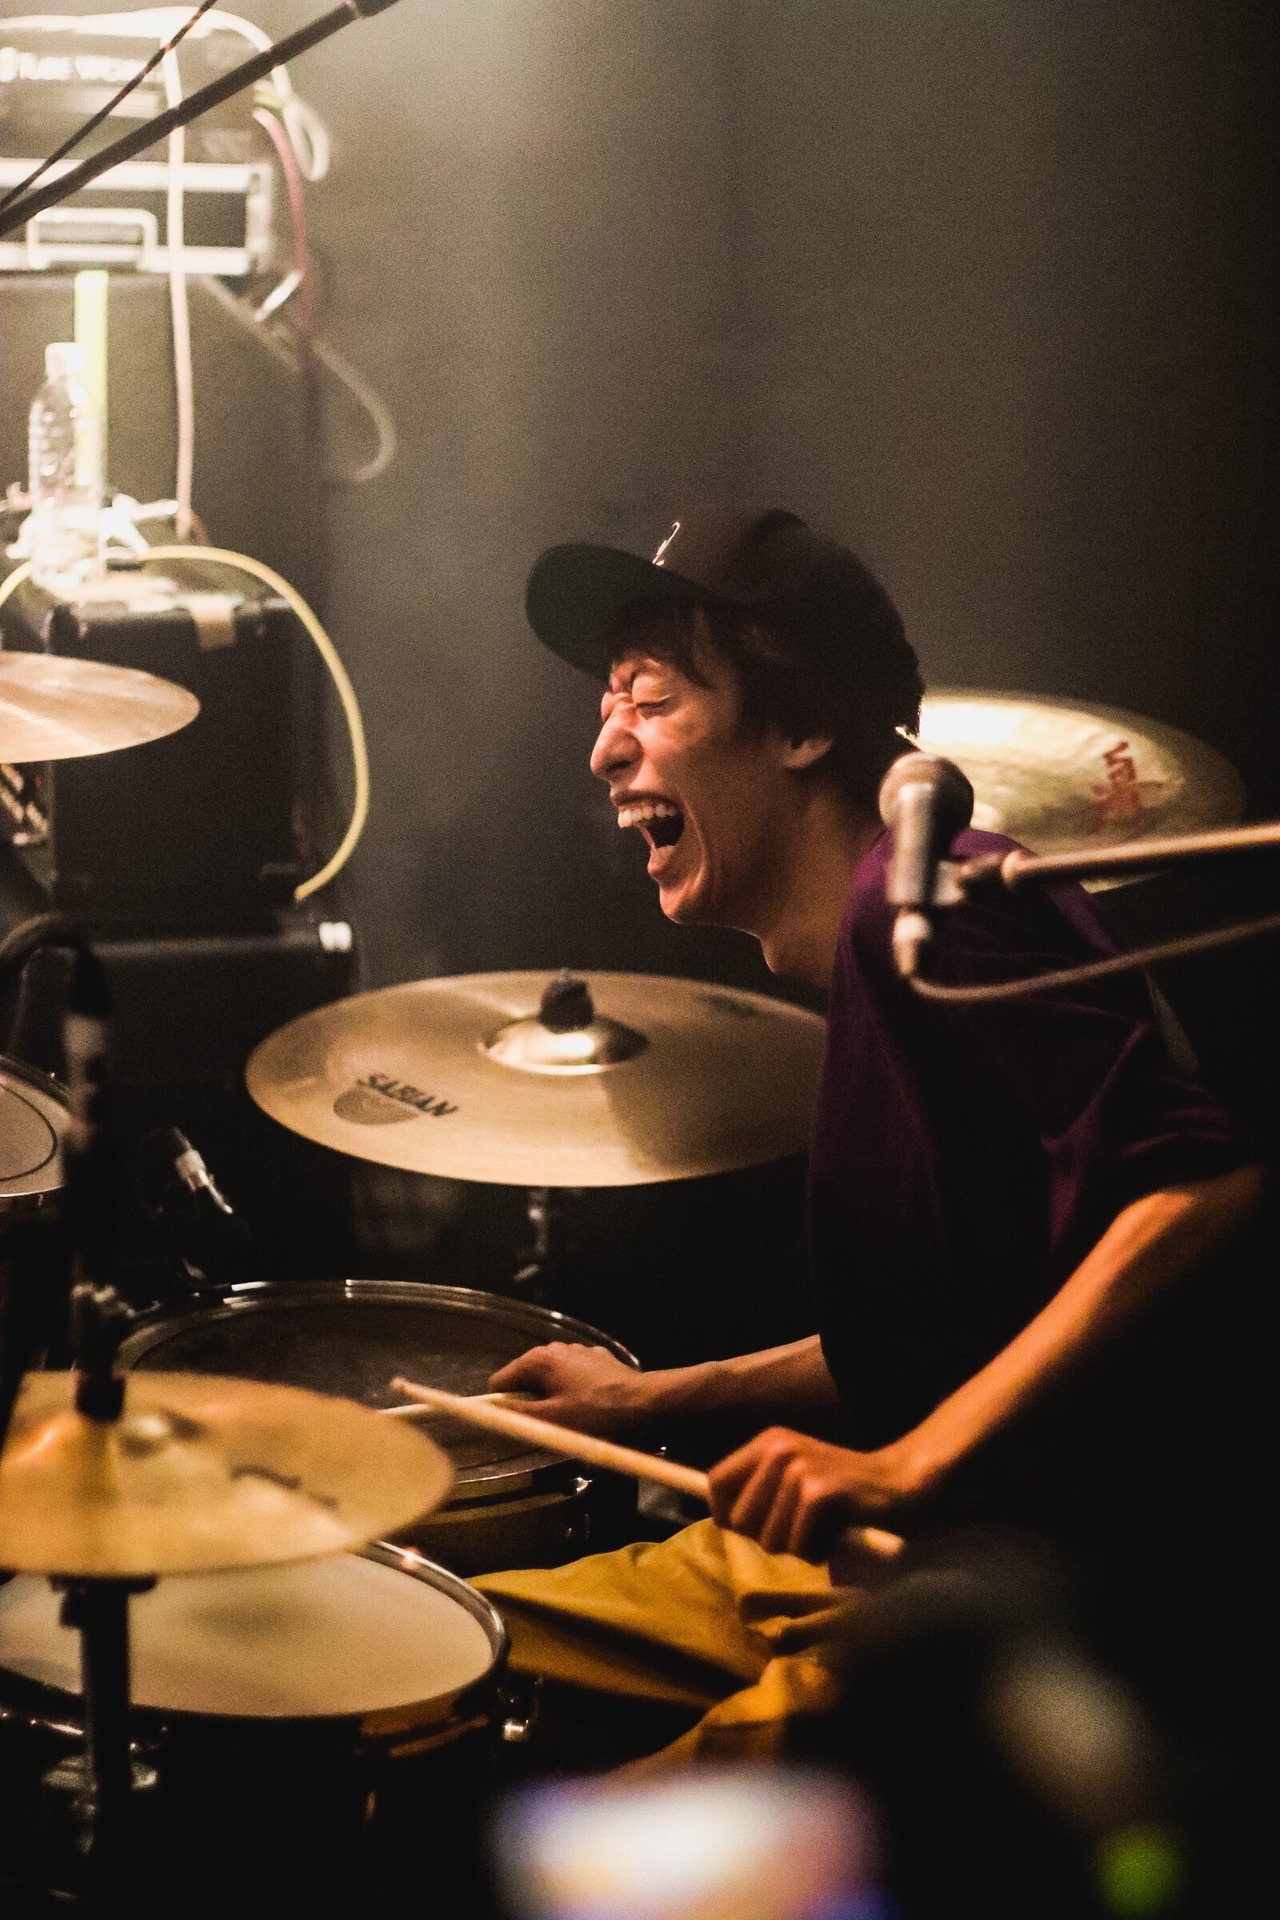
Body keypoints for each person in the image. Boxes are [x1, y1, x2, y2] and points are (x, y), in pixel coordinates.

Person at [474, 507, 1264, 1763]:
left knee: (602, 1834)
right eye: (606, 703)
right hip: (894, 1557)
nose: (603, 749)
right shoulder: (877, 950)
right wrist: (647, 1399)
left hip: (1024, 1607)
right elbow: (942, 1327)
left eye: (651, 699)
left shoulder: (931, 914)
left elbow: (1203, 1189)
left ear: (799, 727)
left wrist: (905, 1465)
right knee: (442, 1660)